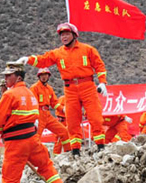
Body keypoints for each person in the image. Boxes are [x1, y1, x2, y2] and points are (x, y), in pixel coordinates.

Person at [0, 63, 79, 183]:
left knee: (11, 180)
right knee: (46, 165)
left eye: (8, 76)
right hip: (32, 139)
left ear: (18, 77)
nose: (5, 78)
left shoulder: (9, 95)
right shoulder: (30, 93)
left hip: (16, 143)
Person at [17, 23, 109, 156]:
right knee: (72, 121)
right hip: (70, 89)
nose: (64, 37)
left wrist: (102, 83)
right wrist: (29, 59)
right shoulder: (58, 53)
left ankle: (101, 147)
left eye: (66, 34)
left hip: (87, 86)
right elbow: (43, 60)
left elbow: (99, 66)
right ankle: (75, 150)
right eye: (62, 35)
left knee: (95, 117)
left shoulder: (88, 49)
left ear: (74, 35)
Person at [30, 67, 72, 154]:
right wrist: (35, 118)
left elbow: (54, 103)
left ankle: (68, 153)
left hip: (47, 115)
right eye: (42, 75)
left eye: (45, 75)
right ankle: (33, 157)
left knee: (64, 132)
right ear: (39, 76)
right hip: (39, 115)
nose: (44, 77)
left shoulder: (49, 89)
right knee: (36, 138)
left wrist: (63, 109)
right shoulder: (34, 88)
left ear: (48, 76)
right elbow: (32, 103)